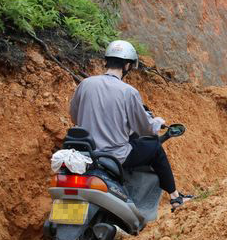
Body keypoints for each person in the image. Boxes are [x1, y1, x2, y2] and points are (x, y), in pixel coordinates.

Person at [69, 40, 192, 212]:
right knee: (155, 148)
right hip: (115, 155)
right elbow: (144, 128)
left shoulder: (85, 84)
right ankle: (175, 197)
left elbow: (74, 116)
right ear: (127, 65)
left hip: (86, 153)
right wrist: (157, 122)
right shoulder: (128, 92)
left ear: (107, 60)